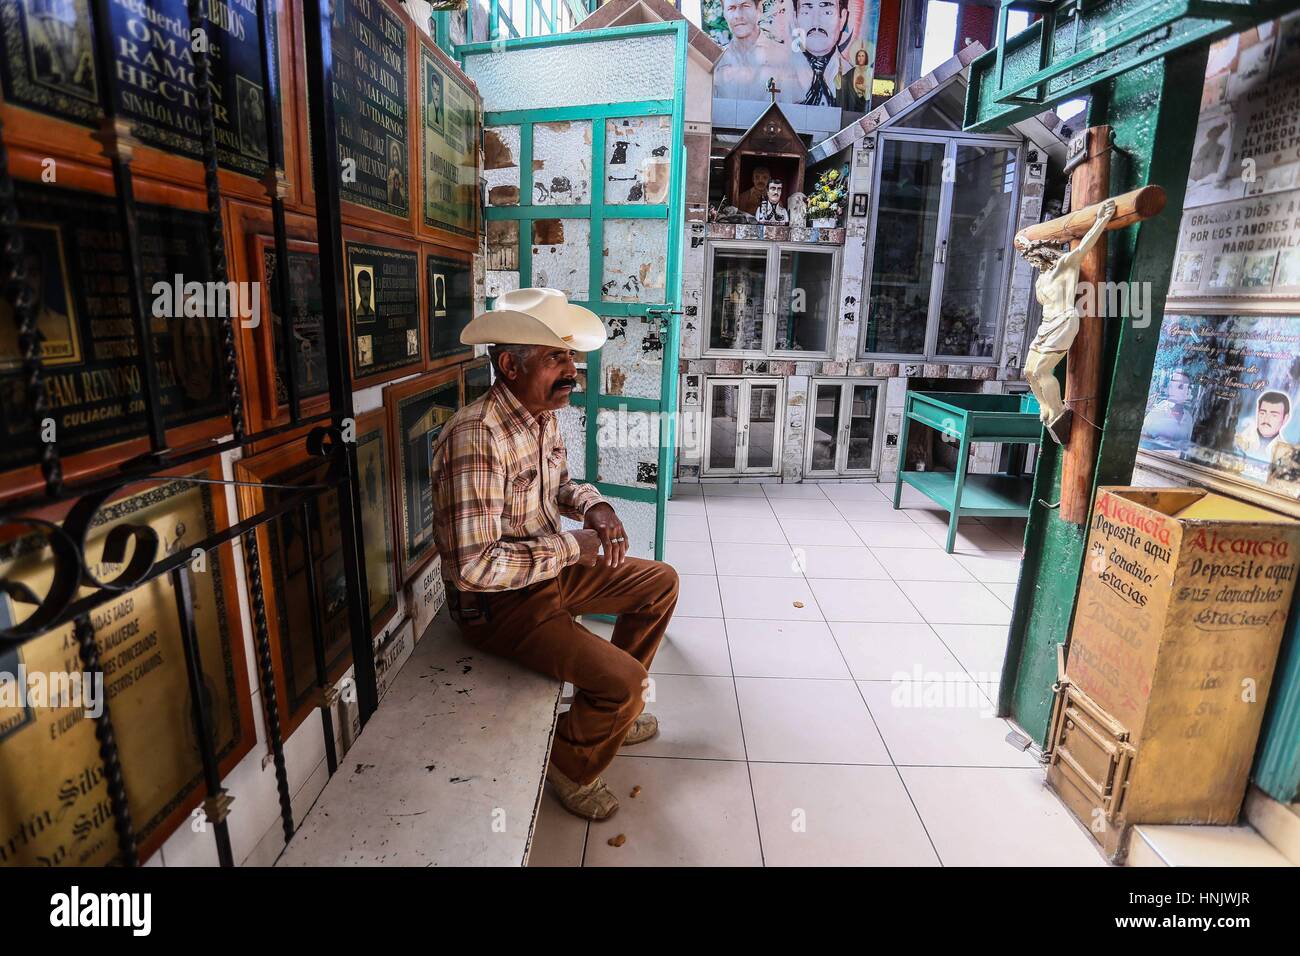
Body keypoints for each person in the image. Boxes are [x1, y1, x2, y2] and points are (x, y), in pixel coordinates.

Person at [430, 288, 679, 821]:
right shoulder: (477, 437)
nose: (572, 371)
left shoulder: (540, 412)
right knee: (629, 684)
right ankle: (571, 763)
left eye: (571, 356)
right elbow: (474, 567)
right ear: (509, 365)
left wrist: (597, 508)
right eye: (556, 358)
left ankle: (608, 710)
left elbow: (561, 485)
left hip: (549, 573)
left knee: (660, 582)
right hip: (497, 605)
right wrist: (572, 546)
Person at [1015, 198, 1116, 443]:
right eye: (1030, 260)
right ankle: (1045, 407)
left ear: (1043, 253)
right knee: (1029, 371)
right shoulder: (1041, 280)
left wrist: (1102, 219)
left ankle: (1058, 410)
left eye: (1033, 257)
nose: (1032, 262)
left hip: (1064, 321)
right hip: (1046, 325)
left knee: (1042, 370)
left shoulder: (1064, 265)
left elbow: (1083, 248)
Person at [713, 0, 801, 102]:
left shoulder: (782, 56)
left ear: (758, 10)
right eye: (731, 8)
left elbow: (793, 109)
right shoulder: (717, 61)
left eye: (745, 6)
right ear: (724, 14)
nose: (738, 15)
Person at [790, 0, 849, 107]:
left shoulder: (853, 77)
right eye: (806, 12)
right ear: (795, 19)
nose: (816, 23)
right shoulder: (777, 74)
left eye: (827, 12)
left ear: (843, 18)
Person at [1141, 370, 1195, 445]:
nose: (1186, 391)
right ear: (1170, 388)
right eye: (1180, 386)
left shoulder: (1188, 418)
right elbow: (1142, 440)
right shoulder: (1157, 413)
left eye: (1188, 387)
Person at [1235, 390, 1292, 460]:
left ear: (1285, 418)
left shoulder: (1287, 454)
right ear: (1257, 413)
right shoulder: (1238, 438)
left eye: (1274, 415)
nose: (1266, 419)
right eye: (1262, 413)